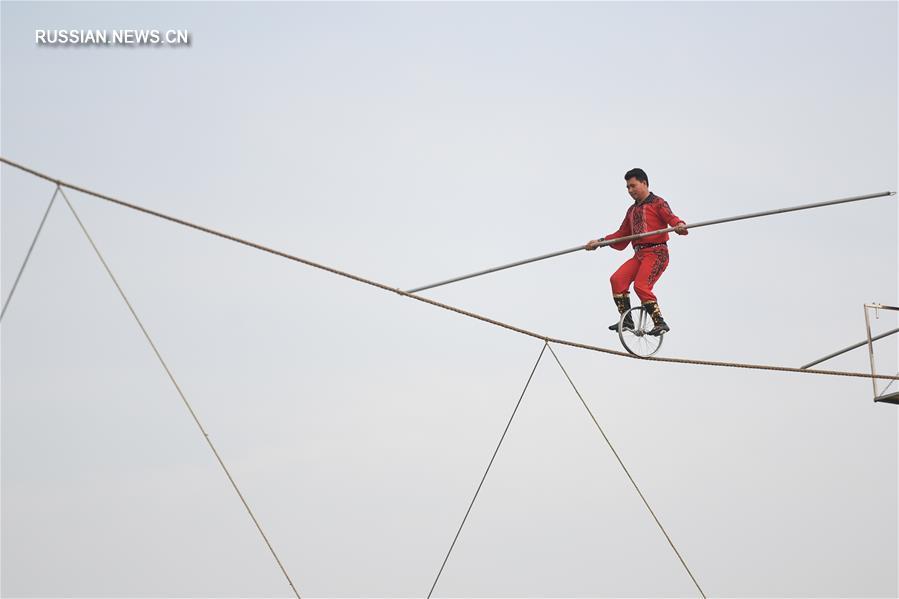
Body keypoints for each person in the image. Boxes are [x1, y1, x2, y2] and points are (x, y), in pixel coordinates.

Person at [585, 168, 688, 336]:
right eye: (627, 187)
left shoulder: (658, 203)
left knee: (641, 286)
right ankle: (627, 320)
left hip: (657, 253)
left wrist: (679, 225)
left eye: (633, 186)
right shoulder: (631, 211)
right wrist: (600, 242)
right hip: (639, 255)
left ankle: (659, 322)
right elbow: (621, 235)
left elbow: (671, 218)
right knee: (617, 279)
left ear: (644, 183)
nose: (630, 190)